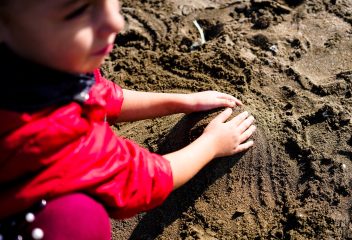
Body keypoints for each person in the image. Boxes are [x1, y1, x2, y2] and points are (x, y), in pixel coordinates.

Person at [0, 0, 256, 239]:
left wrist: (182, 101)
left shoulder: (37, 66)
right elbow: (143, 180)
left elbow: (100, 95)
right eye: (77, 11)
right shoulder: (53, 135)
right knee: (78, 218)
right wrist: (211, 144)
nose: (115, 22)